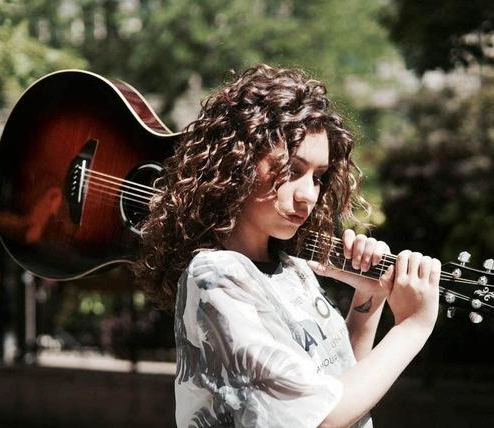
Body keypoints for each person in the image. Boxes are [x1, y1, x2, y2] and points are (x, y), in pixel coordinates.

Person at [132, 64, 440, 428]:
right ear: (238, 163)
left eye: (319, 177)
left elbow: (339, 391)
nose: (309, 194)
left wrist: (367, 302)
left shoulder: (293, 269)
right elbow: (320, 417)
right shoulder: (216, 277)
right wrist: (413, 327)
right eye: (293, 170)